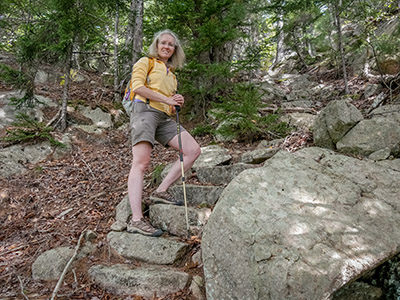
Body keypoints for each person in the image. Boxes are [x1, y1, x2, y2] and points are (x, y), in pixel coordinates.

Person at [126, 29, 201, 237]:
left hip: (164, 118)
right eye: (163, 43)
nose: (167, 46)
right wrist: (167, 99)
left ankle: (160, 191)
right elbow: (137, 87)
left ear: (174, 49)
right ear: (157, 45)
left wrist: (175, 102)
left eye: (171, 44)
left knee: (193, 150)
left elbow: (168, 103)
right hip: (144, 112)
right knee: (141, 163)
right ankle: (136, 219)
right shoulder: (146, 62)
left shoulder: (172, 75)